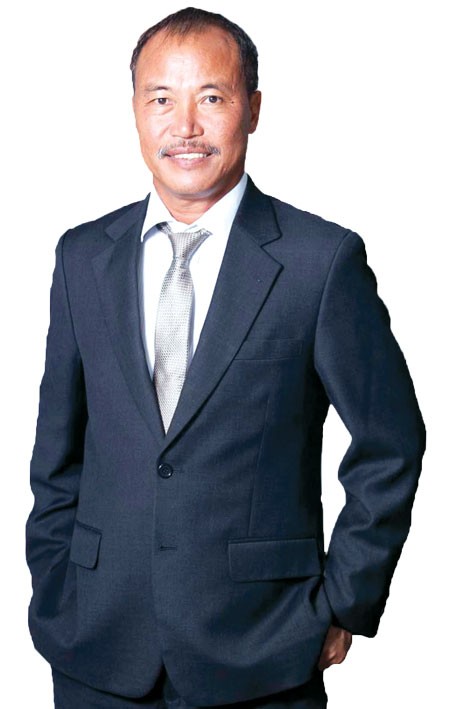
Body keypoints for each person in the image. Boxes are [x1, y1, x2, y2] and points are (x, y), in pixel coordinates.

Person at [25, 7, 426, 709]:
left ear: (254, 109)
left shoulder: (319, 262)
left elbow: (391, 442)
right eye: (161, 99)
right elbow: (57, 452)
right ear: (135, 111)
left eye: (211, 97)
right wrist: (56, 579)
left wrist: (345, 599)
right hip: (96, 645)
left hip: (263, 650)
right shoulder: (82, 257)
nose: (185, 126)